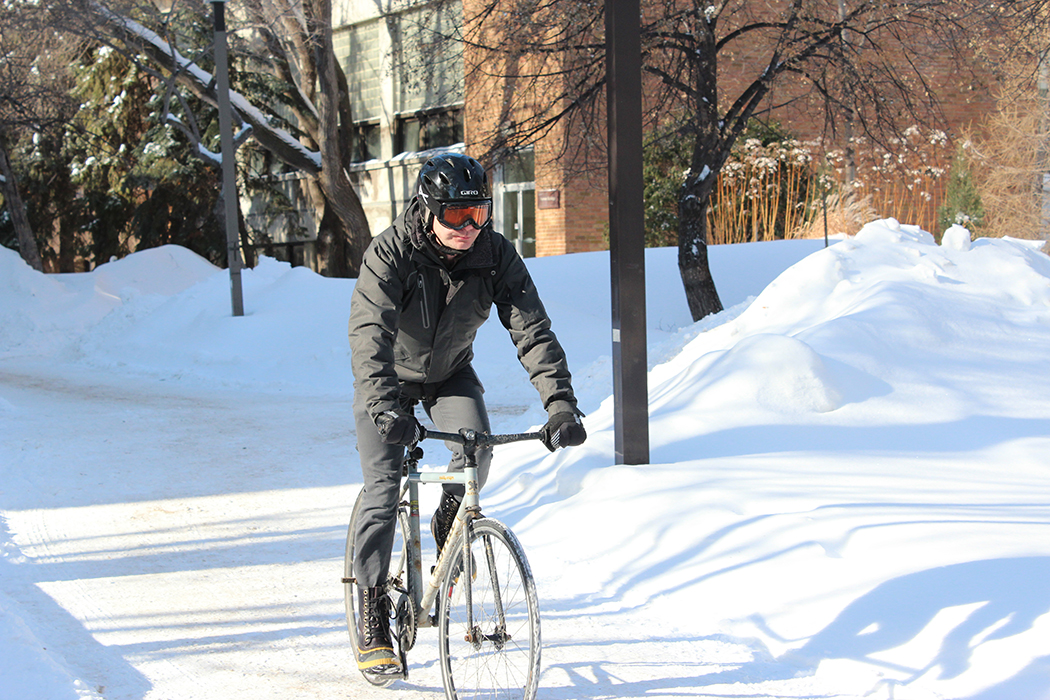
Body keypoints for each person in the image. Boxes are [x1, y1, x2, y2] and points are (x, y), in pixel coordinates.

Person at [347, 152, 586, 673]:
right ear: (427, 209)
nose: (468, 227)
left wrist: (560, 404)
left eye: (479, 213)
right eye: (455, 216)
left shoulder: (495, 256)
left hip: (449, 376)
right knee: (384, 489)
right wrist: (386, 406)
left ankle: (449, 520)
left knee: (475, 454)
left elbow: (533, 330)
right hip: (387, 381)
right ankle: (371, 608)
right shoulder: (391, 254)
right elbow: (369, 337)